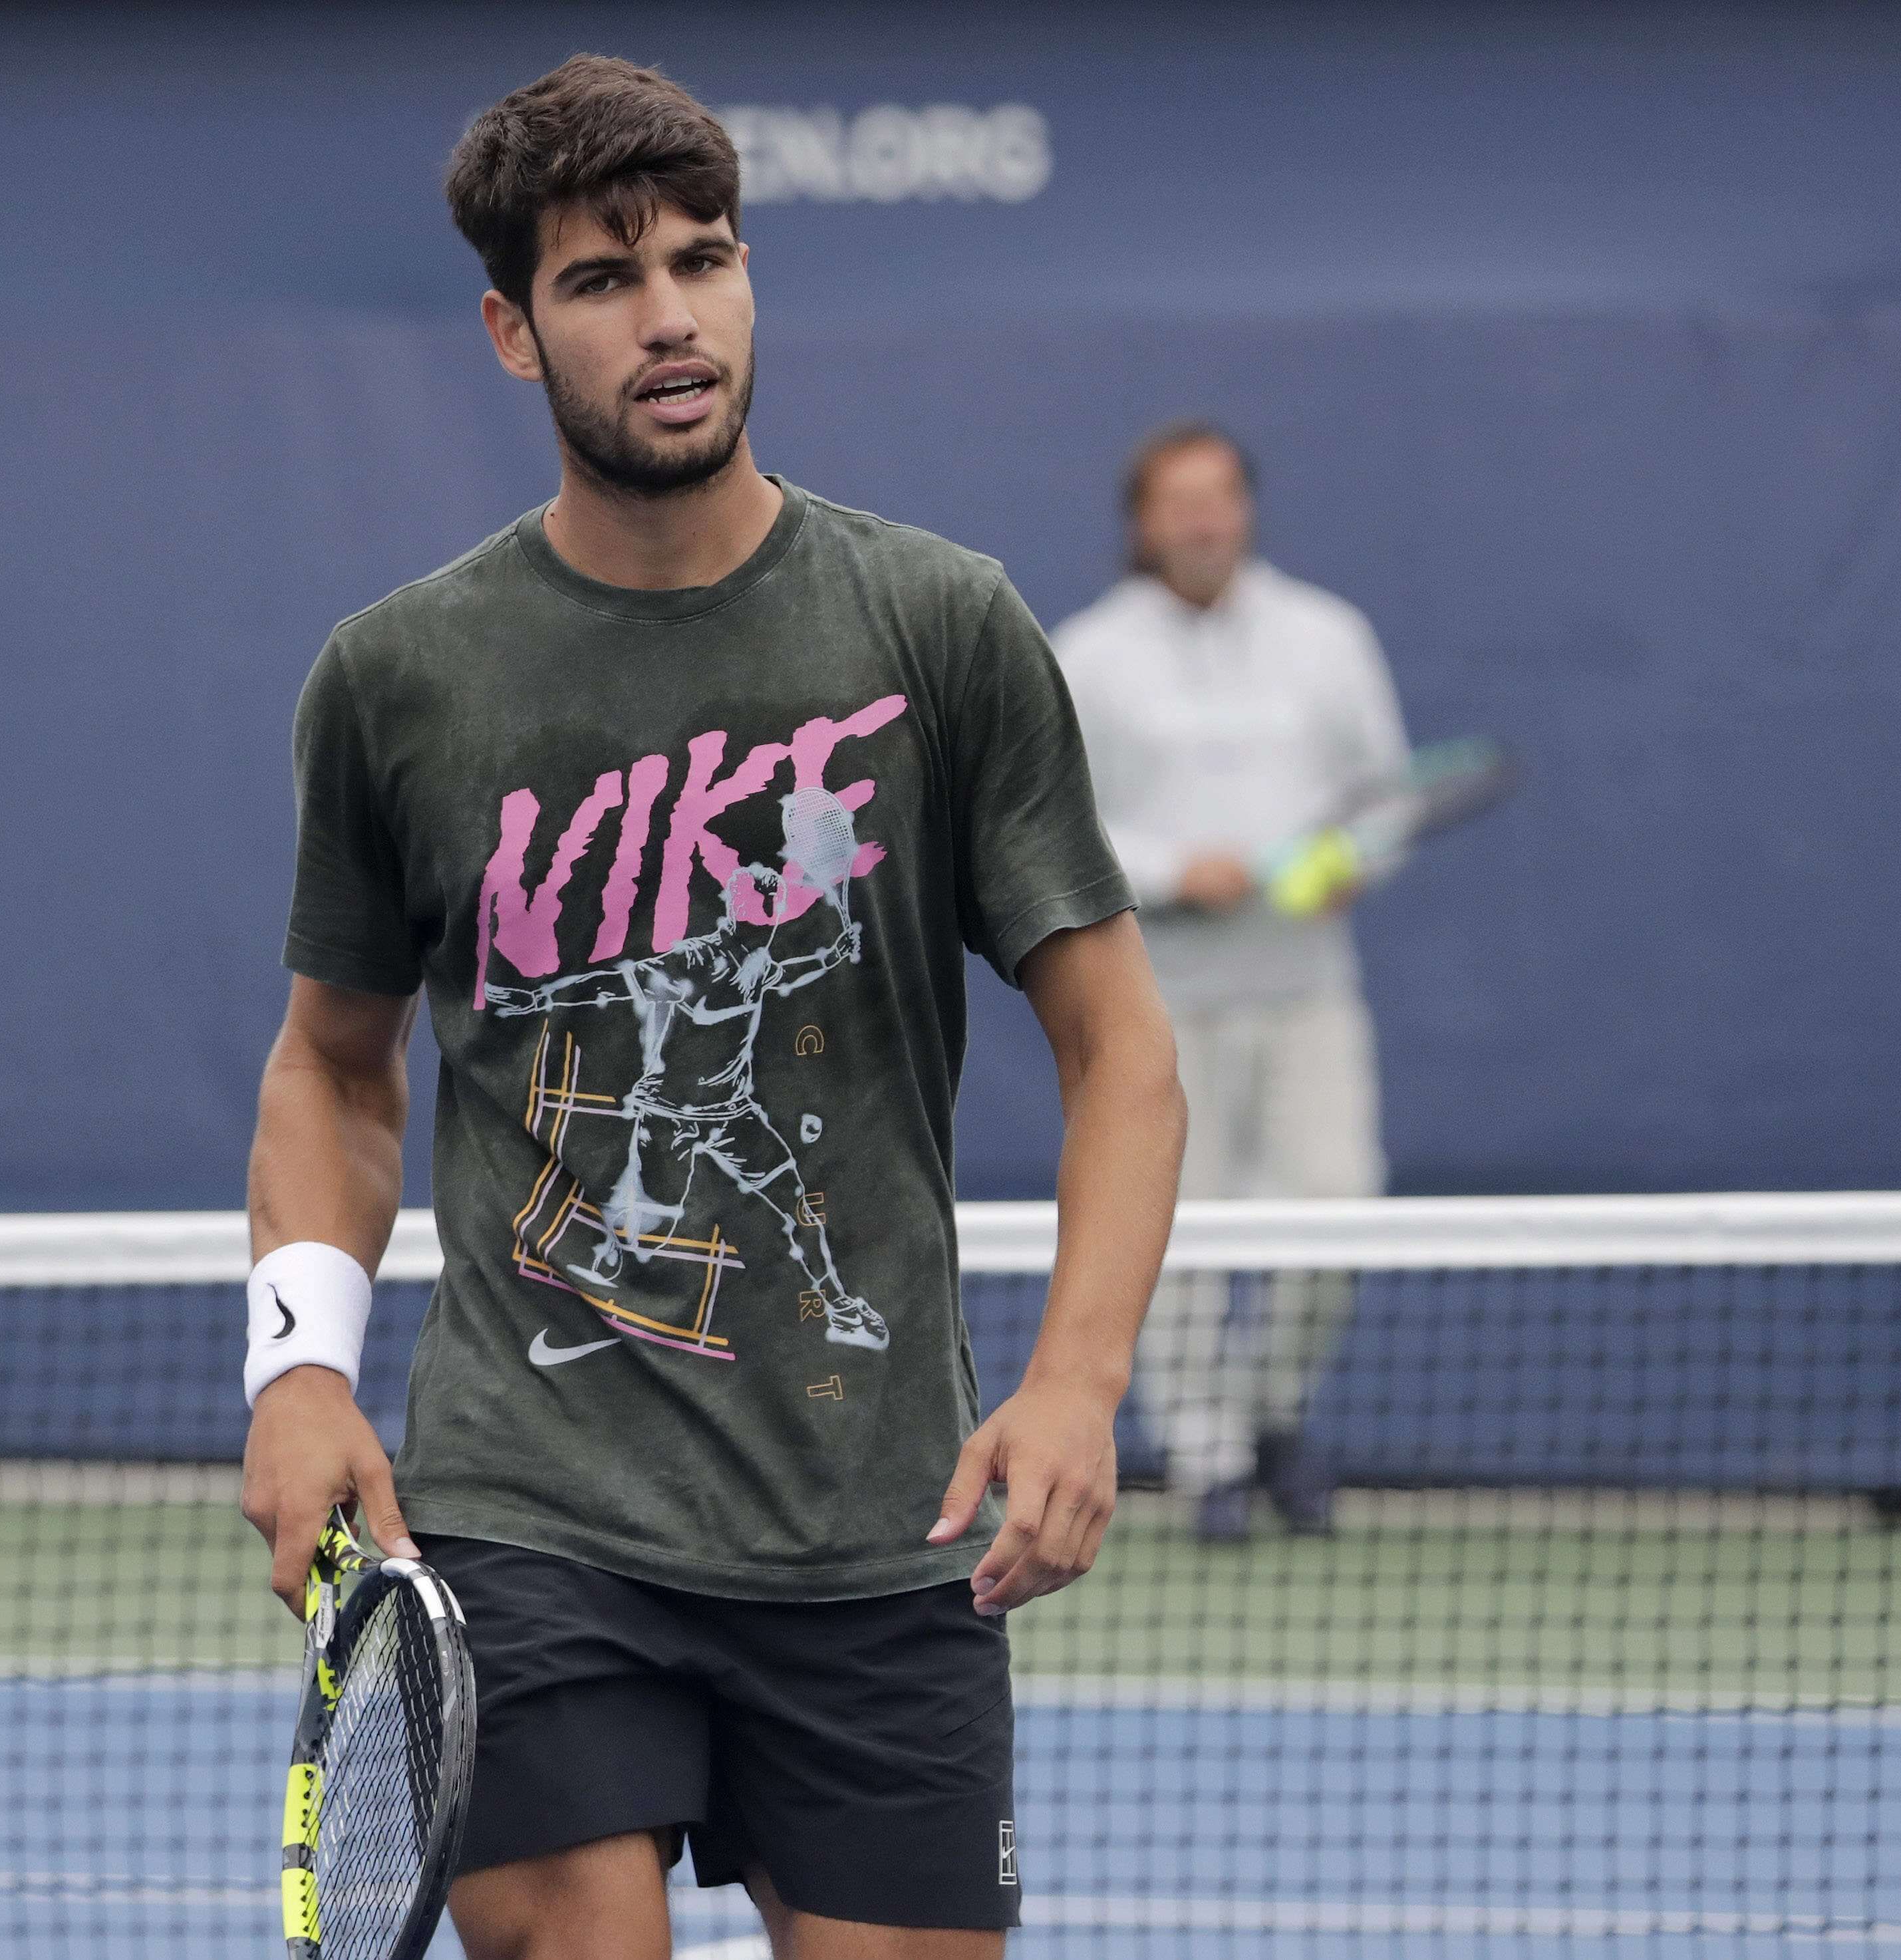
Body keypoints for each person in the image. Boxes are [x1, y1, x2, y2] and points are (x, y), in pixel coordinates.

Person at [235, 55, 1186, 1960]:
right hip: (533, 1507)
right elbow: (334, 1064)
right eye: (602, 280)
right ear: (514, 331)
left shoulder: (939, 629)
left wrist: (1077, 1376)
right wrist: (299, 1369)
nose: (667, 315)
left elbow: (1123, 1051)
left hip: (877, 1521)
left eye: (703, 258)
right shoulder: (399, 678)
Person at [1050, 424, 1409, 1546]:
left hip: (1308, 993)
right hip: (1160, 1006)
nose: (1204, 521)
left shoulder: (1328, 637)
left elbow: (1386, 797)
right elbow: (1053, 819)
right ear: (1143, 524)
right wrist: (1164, 872)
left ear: (1246, 511)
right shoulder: (1088, 656)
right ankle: (1208, 1462)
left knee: (1338, 1214)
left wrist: (1352, 858)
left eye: (1221, 499)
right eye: (1179, 503)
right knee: (1173, 1237)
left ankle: (1272, 1419)